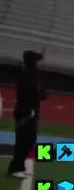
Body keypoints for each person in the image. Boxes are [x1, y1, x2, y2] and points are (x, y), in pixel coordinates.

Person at [8, 50, 44, 179]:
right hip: (26, 113)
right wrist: (30, 110)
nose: (40, 63)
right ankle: (15, 168)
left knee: (29, 140)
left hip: (30, 112)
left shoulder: (33, 75)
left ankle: (19, 166)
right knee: (24, 141)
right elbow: (29, 93)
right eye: (38, 61)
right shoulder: (27, 76)